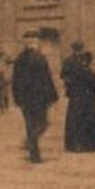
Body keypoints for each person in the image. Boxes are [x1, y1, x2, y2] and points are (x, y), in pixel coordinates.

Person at [11, 30, 58, 163]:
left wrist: (16, 97)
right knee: (42, 122)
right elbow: (46, 77)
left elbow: (16, 80)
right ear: (35, 42)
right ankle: (32, 147)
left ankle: (32, 149)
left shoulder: (20, 58)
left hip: (25, 98)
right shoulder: (40, 57)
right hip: (39, 97)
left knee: (30, 124)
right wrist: (52, 96)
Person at [62, 47, 95, 153]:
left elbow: (69, 86)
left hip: (76, 101)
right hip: (88, 101)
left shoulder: (75, 72)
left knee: (75, 121)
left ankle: (75, 144)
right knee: (88, 122)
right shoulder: (91, 73)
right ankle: (89, 144)